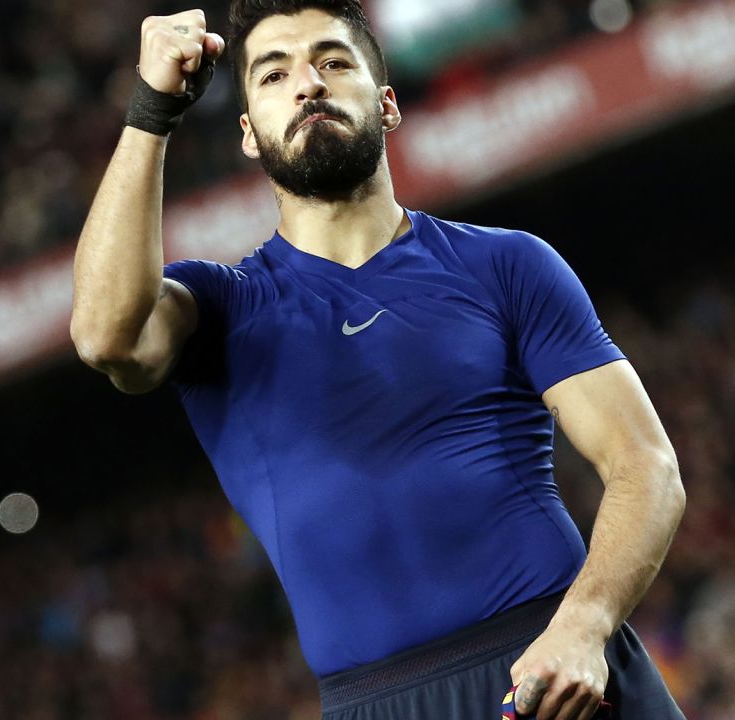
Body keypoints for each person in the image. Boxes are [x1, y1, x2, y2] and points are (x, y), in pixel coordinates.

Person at [69, 2, 687, 718]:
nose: (307, 85)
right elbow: (105, 336)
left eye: (332, 62)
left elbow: (647, 466)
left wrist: (584, 628)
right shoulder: (220, 309)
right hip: (377, 703)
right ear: (248, 133)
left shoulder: (505, 265)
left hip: (559, 669)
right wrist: (152, 112)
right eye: (273, 75)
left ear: (387, 104)